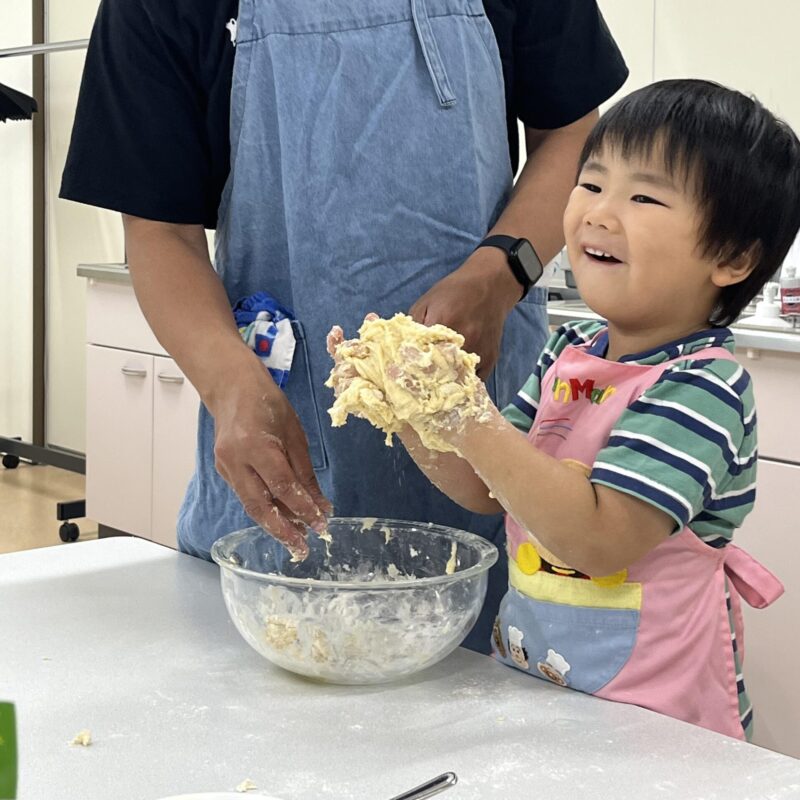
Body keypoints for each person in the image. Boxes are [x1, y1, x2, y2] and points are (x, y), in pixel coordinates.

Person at [60, 0, 627, 650]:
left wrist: (500, 272)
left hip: (490, 410)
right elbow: (160, 231)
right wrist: (229, 385)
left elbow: (573, 128)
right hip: (289, 409)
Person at [327, 79, 800, 738]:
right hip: (539, 690)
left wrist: (467, 415)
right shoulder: (570, 352)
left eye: (642, 196)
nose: (599, 213)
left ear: (732, 256)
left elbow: (597, 541)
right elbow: (488, 489)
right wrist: (407, 406)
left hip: (659, 732)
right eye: (593, 182)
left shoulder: (702, 389)